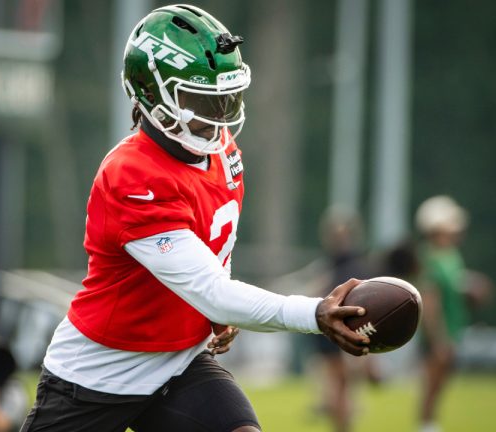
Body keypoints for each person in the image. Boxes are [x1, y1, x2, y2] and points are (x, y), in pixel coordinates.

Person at [20, 5, 370, 432]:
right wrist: (313, 313)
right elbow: (210, 289)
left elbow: (214, 247)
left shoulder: (222, 151)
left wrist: (214, 317)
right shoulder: (132, 175)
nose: (219, 113)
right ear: (152, 94)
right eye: (200, 99)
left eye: (225, 97)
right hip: (99, 373)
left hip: (179, 362)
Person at [414, 195, 492, 432]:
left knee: (440, 387)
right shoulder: (431, 257)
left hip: (452, 330)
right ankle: (426, 427)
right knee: (432, 387)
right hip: (439, 334)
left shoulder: (451, 256)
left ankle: (431, 426)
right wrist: (439, 339)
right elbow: (430, 302)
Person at [313, 206, 380, 432]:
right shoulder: (337, 266)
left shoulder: (349, 267)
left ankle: (339, 420)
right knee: (340, 386)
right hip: (335, 329)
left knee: (342, 387)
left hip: (340, 327)